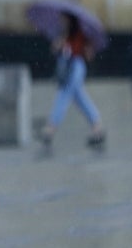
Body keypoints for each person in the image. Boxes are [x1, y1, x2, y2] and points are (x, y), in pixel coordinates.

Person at [40, 12, 104, 147]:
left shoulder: (80, 33)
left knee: (64, 95)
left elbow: (87, 53)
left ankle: (51, 128)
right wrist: (59, 45)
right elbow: (55, 50)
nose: (62, 21)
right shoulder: (63, 33)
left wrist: (82, 47)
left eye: (64, 18)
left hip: (75, 66)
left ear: (70, 19)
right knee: (80, 98)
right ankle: (97, 127)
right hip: (66, 65)